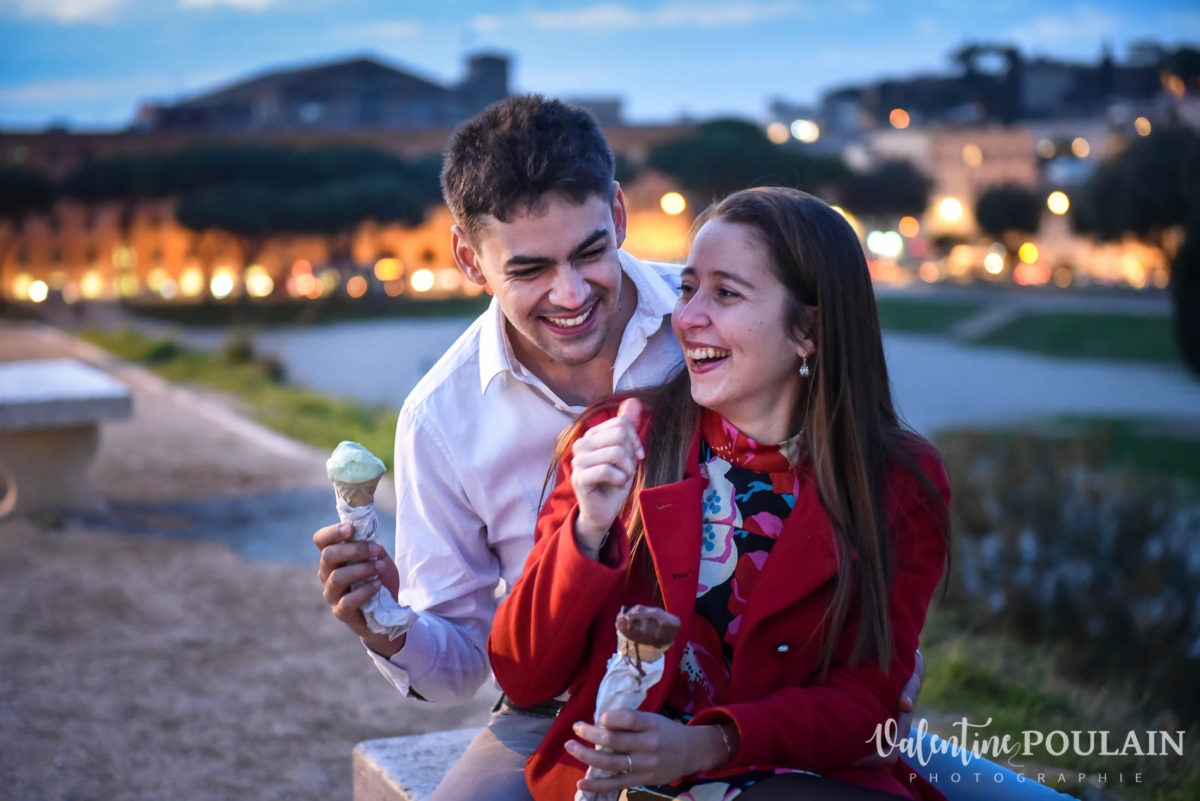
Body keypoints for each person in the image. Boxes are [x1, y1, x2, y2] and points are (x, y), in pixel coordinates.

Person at [314, 95, 1066, 801]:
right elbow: (488, 662)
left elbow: (864, 677)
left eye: (588, 253)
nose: (572, 294)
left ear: (618, 213)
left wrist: (873, 662)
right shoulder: (445, 418)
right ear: (471, 261)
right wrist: (385, 621)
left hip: (782, 713)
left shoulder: (712, 303)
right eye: (531, 268)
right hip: (565, 703)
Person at [489, 187, 951, 800]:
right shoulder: (623, 438)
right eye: (687, 289)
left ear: (808, 330)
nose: (688, 317)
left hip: (793, 781)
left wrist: (711, 742)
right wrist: (586, 532)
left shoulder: (896, 483)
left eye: (726, 294)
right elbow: (522, 676)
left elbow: (869, 707)